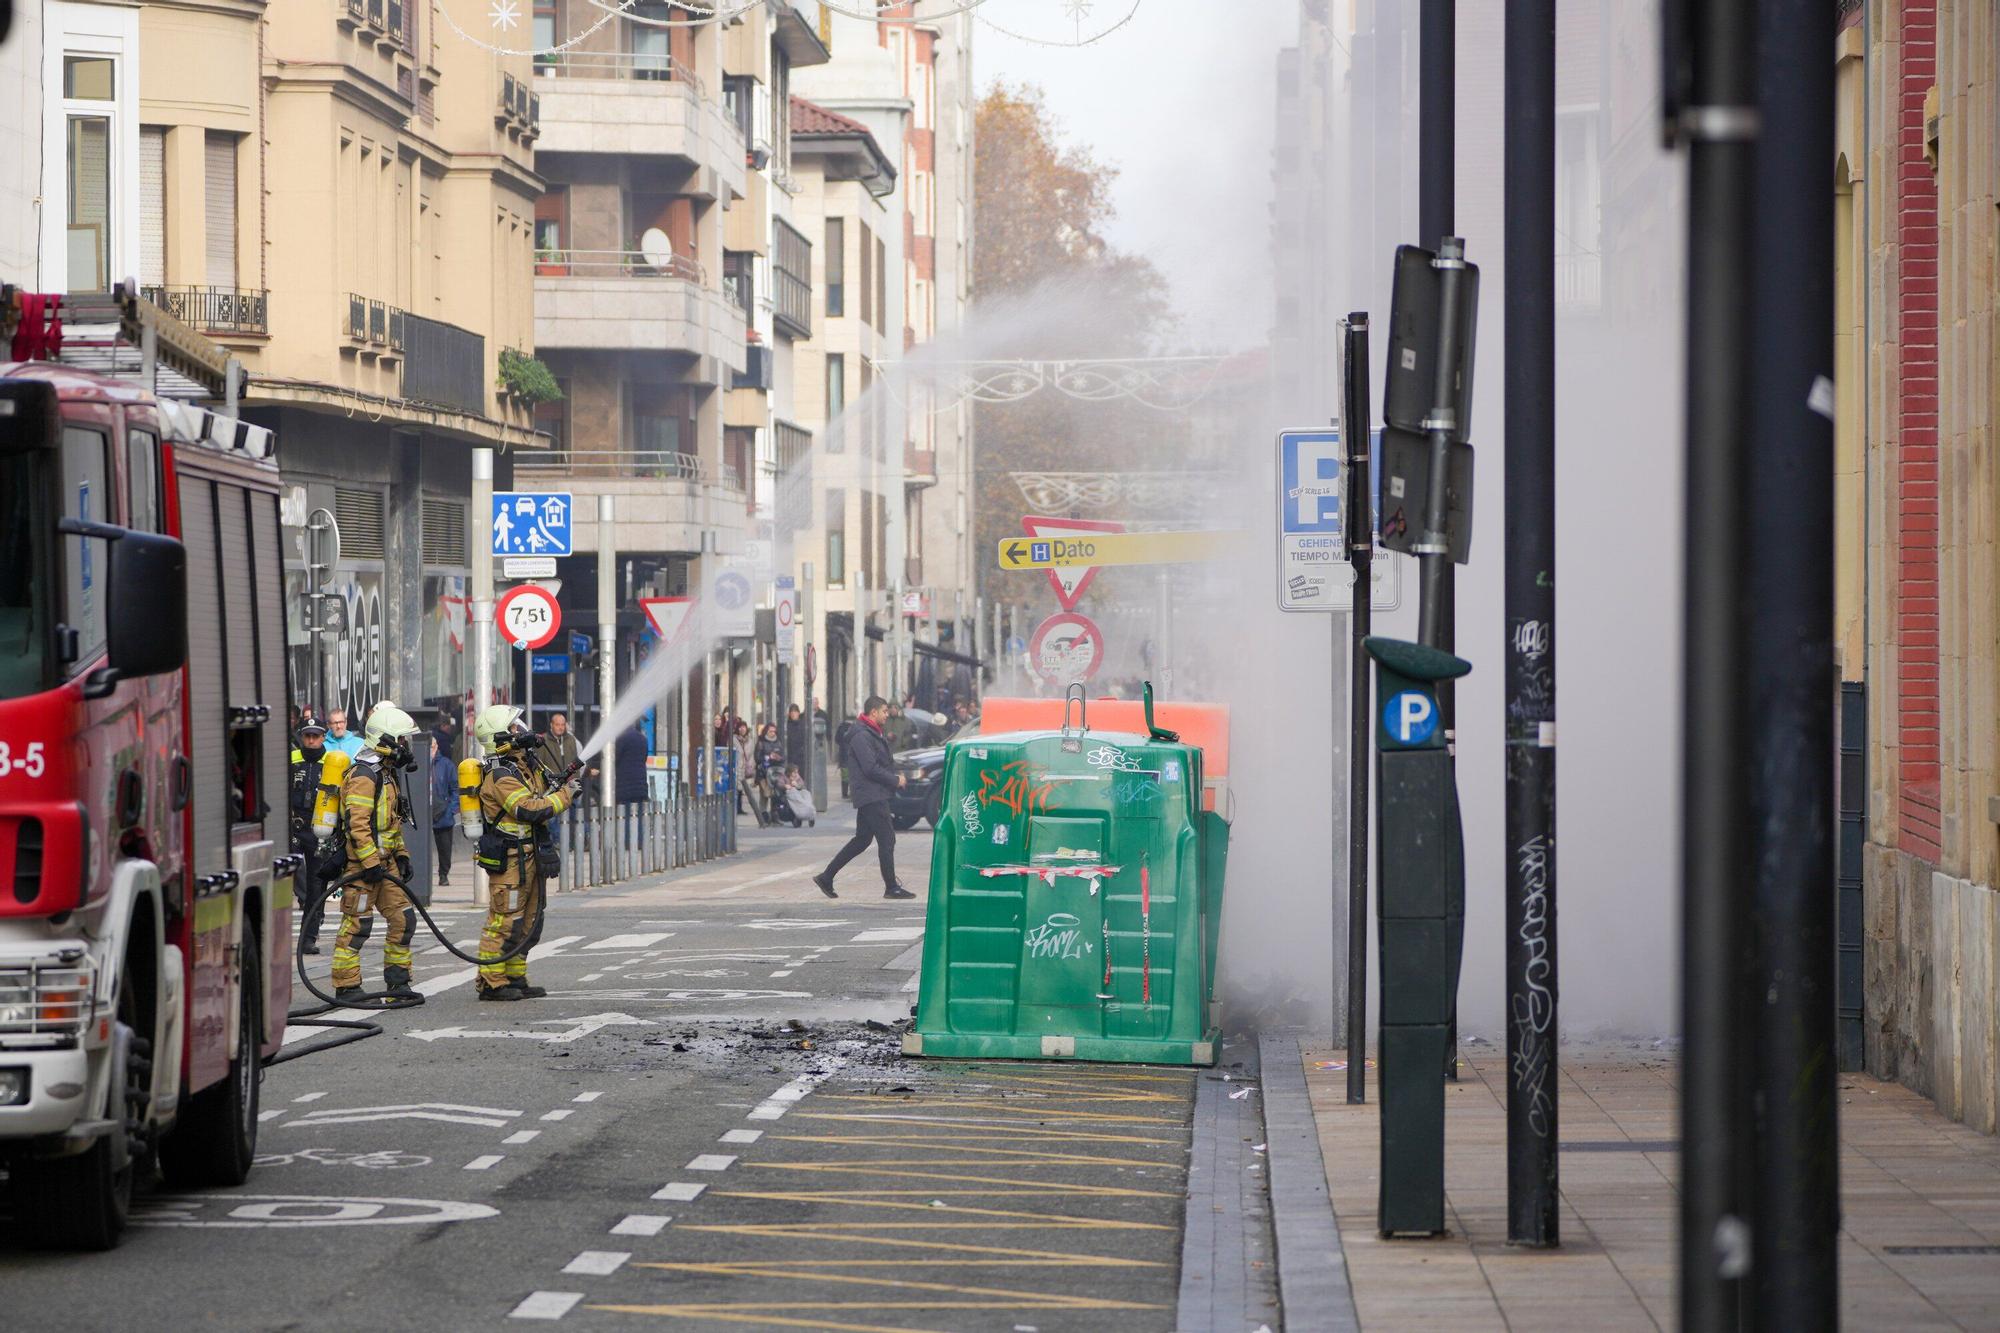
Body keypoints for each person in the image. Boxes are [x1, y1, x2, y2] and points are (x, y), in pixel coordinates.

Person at [471, 704, 578, 1001]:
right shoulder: (501, 775)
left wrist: (561, 784)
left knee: (530, 920)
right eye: (514, 728)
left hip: (530, 856)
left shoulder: (522, 765)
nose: (520, 731)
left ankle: (515, 976)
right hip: (511, 860)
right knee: (505, 920)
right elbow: (527, 809)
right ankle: (492, 983)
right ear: (500, 736)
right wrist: (566, 796)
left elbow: (543, 791)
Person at [331, 702, 423, 1004]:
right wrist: (370, 863)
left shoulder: (385, 774)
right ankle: (347, 987)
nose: (404, 747)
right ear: (383, 740)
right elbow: (358, 826)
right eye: (400, 740)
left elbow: (390, 823)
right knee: (357, 924)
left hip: (385, 864)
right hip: (362, 866)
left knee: (403, 919)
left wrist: (402, 854)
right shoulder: (364, 775)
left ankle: (397, 985)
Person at [813, 696, 913, 900]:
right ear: (873, 712)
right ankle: (891, 887)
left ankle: (826, 877)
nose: (887, 714)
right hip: (871, 795)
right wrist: (894, 780)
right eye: (884, 711)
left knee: (862, 840)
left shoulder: (870, 732)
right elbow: (870, 768)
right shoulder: (861, 735)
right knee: (887, 839)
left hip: (872, 793)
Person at [289, 718, 332, 955]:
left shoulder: (334, 763)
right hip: (295, 827)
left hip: (320, 829)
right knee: (294, 871)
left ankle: (308, 937)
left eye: (316, 736)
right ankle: (303, 900)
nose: (311, 740)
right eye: (307, 736)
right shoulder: (293, 760)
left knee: (318, 884)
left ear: (323, 737)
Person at [430, 733, 457, 888]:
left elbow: (455, 788)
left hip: (444, 814)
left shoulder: (446, 765)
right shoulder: (419, 763)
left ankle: (443, 874)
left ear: (437, 747)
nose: (430, 751)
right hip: (426, 814)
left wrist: (451, 809)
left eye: (432, 747)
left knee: (444, 848)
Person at [755, 722, 785, 825]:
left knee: (775, 795)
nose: (772, 733)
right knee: (764, 795)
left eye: (774, 731)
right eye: (770, 731)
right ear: (766, 731)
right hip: (763, 772)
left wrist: (778, 757)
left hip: (775, 771)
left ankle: (774, 816)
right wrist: (768, 756)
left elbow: (783, 756)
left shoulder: (778, 742)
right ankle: (763, 816)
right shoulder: (761, 742)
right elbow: (757, 757)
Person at [785, 703, 807, 773]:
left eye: (795, 712)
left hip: (801, 756)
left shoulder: (803, 724)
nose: (793, 714)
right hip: (790, 755)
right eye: (791, 712)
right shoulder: (787, 725)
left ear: (798, 713)